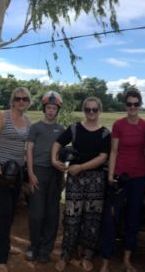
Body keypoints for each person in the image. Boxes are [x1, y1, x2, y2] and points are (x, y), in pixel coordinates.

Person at [52, 97, 112, 271]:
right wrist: (54, 160)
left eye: (94, 109)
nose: (91, 112)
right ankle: (65, 254)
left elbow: (103, 157)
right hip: (75, 179)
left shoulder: (105, 134)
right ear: (84, 110)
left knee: (92, 219)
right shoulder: (74, 128)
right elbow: (58, 143)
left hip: (96, 179)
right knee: (71, 217)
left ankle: (87, 255)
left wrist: (81, 167)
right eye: (88, 109)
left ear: (100, 111)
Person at [100, 89, 145, 272]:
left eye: (136, 104)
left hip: (139, 177)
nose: (132, 107)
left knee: (133, 218)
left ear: (140, 105)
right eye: (129, 104)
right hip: (120, 177)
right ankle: (106, 260)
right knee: (111, 218)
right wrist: (110, 176)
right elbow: (113, 151)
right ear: (125, 105)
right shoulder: (119, 125)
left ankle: (127, 260)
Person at [0, 87, 32, 272]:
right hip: (2, 171)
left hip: (18, 173)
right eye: (18, 98)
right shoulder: (3, 116)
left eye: (25, 99)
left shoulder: (28, 121)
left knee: (12, 210)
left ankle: (5, 246)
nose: (21, 101)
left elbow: (27, 147)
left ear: (28, 102)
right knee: (5, 213)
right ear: (13, 101)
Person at [25, 91, 66, 264]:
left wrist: (62, 176)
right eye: (48, 107)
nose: (51, 111)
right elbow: (29, 151)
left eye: (54, 108)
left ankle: (45, 250)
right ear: (44, 109)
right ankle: (34, 247)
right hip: (39, 171)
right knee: (36, 213)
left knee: (52, 213)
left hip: (55, 173)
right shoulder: (35, 128)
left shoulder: (61, 130)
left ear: (57, 110)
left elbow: (63, 155)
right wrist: (31, 173)